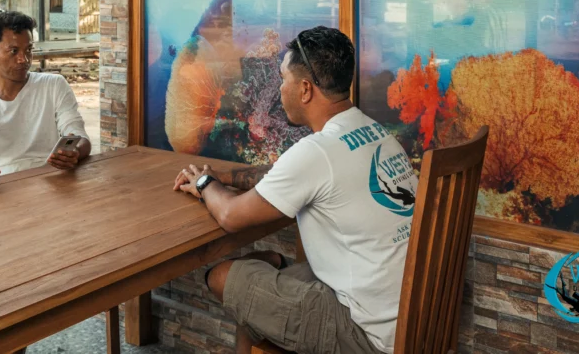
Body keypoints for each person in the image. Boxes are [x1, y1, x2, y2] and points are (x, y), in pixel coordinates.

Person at [174, 27, 418, 354]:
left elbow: (230, 216)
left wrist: (205, 183)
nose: (279, 88)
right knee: (256, 292)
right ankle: (275, 265)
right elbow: (281, 176)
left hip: (366, 333)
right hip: (405, 313)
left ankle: (275, 263)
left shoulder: (317, 152)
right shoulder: (376, 133)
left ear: (305, 89)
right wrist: (225, 177)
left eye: (283, 79)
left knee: (221, 277)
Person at [0, 11, 91, 183]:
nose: (24, 59)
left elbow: (80, 138)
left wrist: (74, 153)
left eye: (29, 50)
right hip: (2, 183)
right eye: (13, 51)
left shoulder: (54, 85)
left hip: (53, 179)